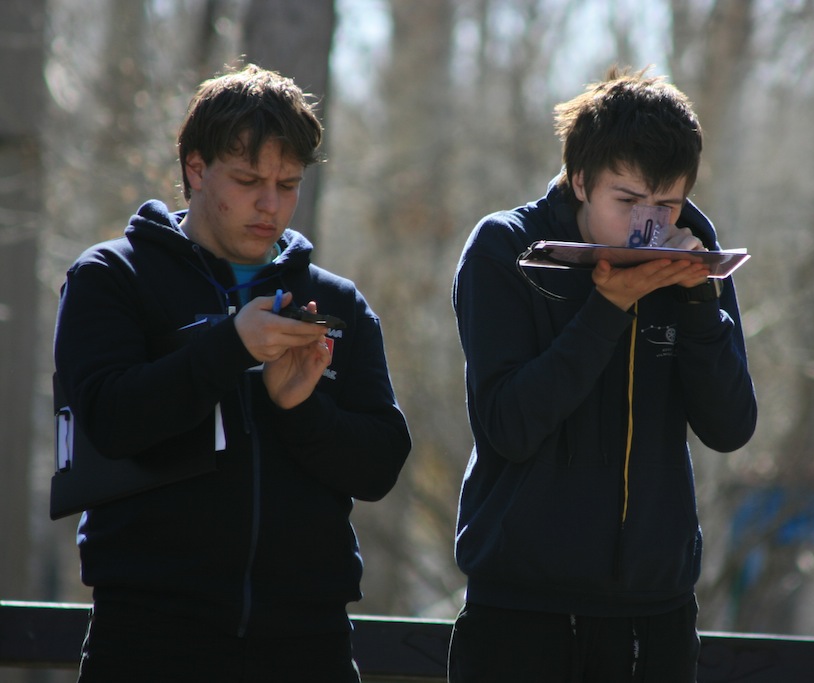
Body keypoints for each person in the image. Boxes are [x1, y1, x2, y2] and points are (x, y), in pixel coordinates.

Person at [53, 64, 412, 682]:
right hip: (147, 640)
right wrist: (229, 347)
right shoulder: (112, 277)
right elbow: (109, 422)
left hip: (309, 643)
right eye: (248, 181)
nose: (270, 204)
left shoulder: (336, 302)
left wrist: (302, 410)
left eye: (288, 184)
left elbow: (380, 465)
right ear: (196, 169)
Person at [447, 67, 757, 682]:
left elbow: (730, 428)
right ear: (581, 181)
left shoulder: (694, 248)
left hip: (655, 611)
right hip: (521, 608)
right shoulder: (506, 247)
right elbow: (509, 426)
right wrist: (608, 308)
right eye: (628, 201)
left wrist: (699, 305)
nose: (649, 225)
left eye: (666, 204)